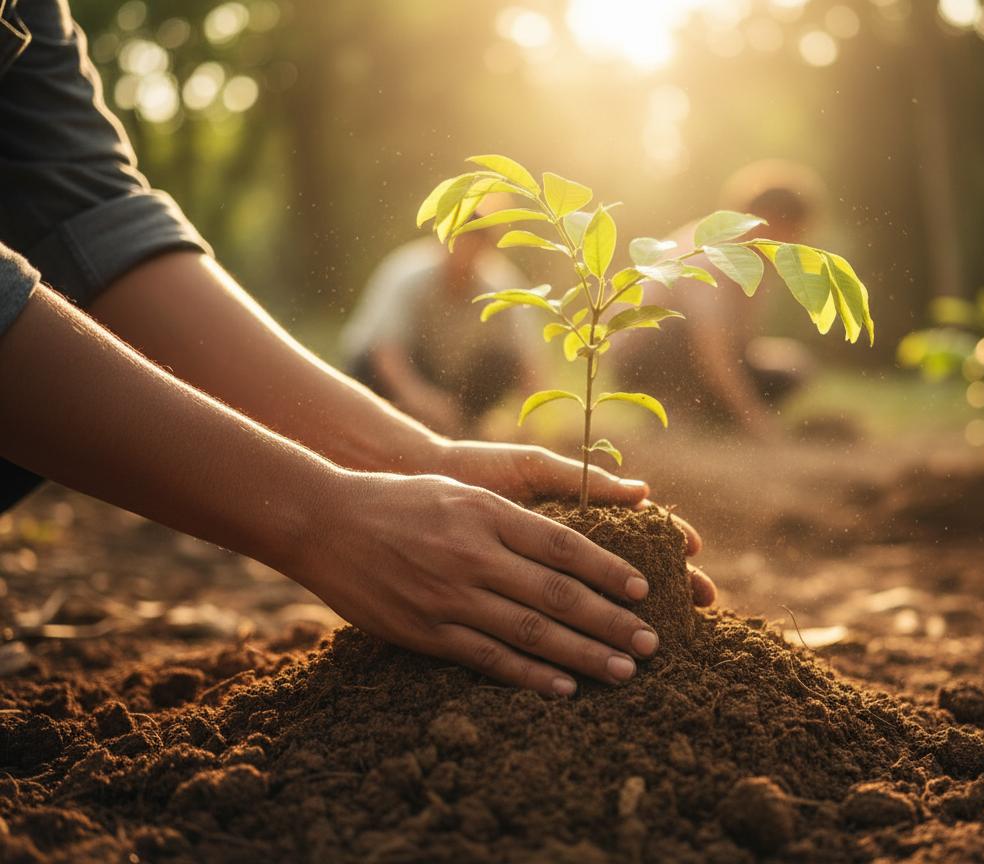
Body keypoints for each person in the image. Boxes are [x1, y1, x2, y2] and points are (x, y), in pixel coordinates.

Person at [0, 0, 713, 697]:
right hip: (380, 368)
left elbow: (88, 217)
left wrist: (417, 461)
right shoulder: (410, 274)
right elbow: (386, 355)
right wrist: (324, 517)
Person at [614, 160, 821, 441]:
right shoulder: (714, 253)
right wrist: (756, 422)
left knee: (792, 364)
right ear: (770, 220)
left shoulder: (757, 263)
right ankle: (676, 417)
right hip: (642, 353)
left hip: (693, 353)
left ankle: (706, 416)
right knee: (681, 332)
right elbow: (712, 351)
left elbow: (740, 343)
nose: (799, 241)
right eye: (795, 231)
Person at [341, 218, 537, 437]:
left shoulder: (502, 286)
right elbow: (385, 351)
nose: (464, 257)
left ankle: (462, 425)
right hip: (393, 371)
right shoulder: (408, 274)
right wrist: (421, 400)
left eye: (474, 248)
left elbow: (527, 359)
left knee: (501, 361)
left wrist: (529, 423)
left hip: (446, 377)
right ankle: (384, 422)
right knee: (370, 364)